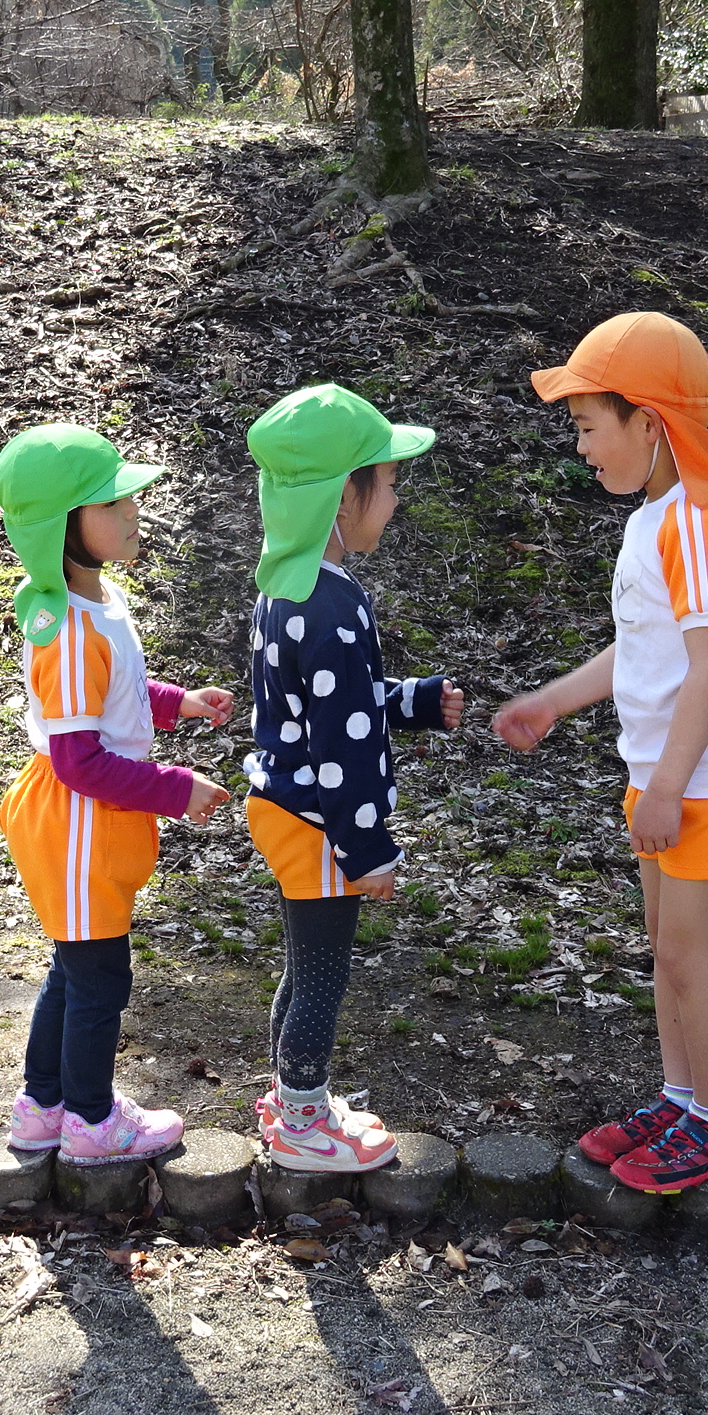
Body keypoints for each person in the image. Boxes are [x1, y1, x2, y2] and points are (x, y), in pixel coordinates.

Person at [493, 313, 708, 1191]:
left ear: (650, 424)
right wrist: (554, 699)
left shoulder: (698, 524)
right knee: (668, 951)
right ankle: (682, 1100)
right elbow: (645, 648)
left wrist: (667, 788)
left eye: (589, 426)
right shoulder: (659, 516)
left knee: (692, 958)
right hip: (669, 777)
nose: (581, 446)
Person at [0, 423, 234, 1167]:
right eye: (110, 503)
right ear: (59, 526)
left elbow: (115, 692)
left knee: (75, 968)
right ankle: (92, 1122)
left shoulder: (93, 601)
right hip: (77, 821)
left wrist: (175, 701)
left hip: (90, 819)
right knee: (99, 978)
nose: (132, 511)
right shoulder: (68, 630)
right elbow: (79, 761)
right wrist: (175, 789)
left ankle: (44, 1106)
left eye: (128, 497)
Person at [242, 385, 465, 1174]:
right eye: (389, 482)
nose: (396, 499)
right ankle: (303, 1122)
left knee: (304, 966)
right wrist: (367, 850)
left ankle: (290, 1100)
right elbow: (341, 746)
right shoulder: (331, 607)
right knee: (323, 975)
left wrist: (413, 702)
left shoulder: (289, 583)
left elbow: (333, 705)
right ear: (343, 497)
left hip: (285, 803)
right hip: (320, 817)